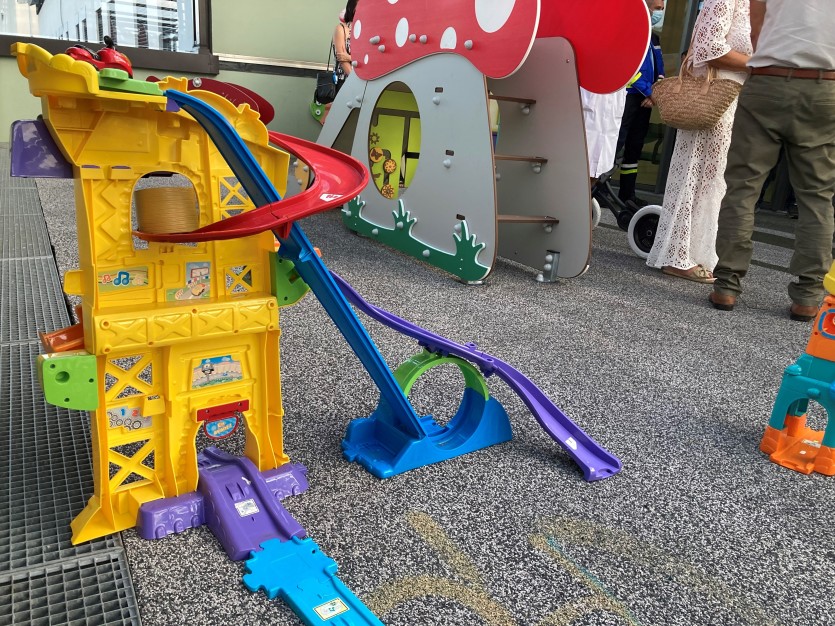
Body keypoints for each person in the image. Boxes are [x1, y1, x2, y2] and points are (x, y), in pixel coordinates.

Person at [710, 0, 835, 321]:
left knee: (743, 188)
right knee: (817, 196)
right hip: (825, 85)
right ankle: (808, 295)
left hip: (769, 79)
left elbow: (757, 25)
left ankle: (727, 285)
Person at [646, 0, 752, 283]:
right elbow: (707, 48)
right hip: (713, 95)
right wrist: (760, 65)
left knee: (715, 177)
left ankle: (701, 253)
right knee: (696, 172)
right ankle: (678, 255)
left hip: (736, 99)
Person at [616, 0, 666, 207]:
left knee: (635, 146)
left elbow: (660, 67)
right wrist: (649, 91)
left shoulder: (654, 37)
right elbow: (628, 68)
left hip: (646, 100)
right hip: (629, 96)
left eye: (662, 9)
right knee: (617, 143)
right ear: (646, 7)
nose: (660, 13)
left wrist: (656, 91)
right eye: (657, 8)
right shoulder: (629, 33)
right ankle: (598, 188)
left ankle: (627, 194)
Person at [320, 1, 358, 124]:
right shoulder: (341, 28)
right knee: (338, 119)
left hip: (362, 81)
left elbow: (370, 58)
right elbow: (341, 58)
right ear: (352, 8)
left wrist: (350, 57)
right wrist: (354, 79)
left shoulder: (368, 31)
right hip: (344, 80)